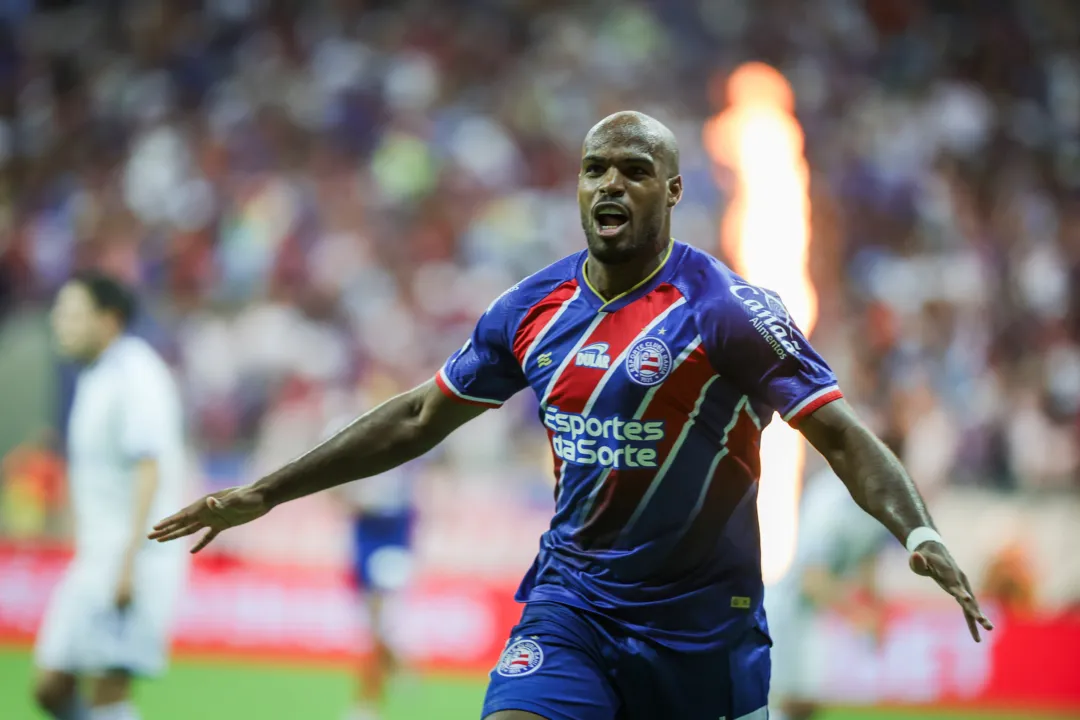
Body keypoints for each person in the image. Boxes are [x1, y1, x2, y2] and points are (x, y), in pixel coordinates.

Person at [150, 111, 992, 720]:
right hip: (574, 606)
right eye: (595, 169)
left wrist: (918, 534)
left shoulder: (728, 311)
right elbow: (416, 419)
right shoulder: (533, 307)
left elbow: (838, 433)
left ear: (672, 189)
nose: (609, 184)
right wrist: (263, 493)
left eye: (631, 168)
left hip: (701, 629)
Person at [35, 272, 188, 720]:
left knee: (109, 693)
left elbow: (150, 465)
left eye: (72, 313)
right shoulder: (94, 375)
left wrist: (128, 561)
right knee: (50, 687)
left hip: (133, 557)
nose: (59, 321)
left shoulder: (135, 372)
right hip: (95, 558)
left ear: (109, 319)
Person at [764, 464, 891, 720]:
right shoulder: (831, 504)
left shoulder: (876, 504)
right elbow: (811, 579)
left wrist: (876, 611)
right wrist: (858, 614)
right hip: (784, 604)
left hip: (809, 613)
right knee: (787, 700)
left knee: (807, 701)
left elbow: (868, 563)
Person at [324, 401, 418, 720]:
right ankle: (399, 661)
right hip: (364, 547)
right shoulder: (357, 463)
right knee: (374, 628)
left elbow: (390, 505)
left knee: (377, 628)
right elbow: (342, 501)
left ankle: (366, 705)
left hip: (391, 548)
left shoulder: (398, 457)